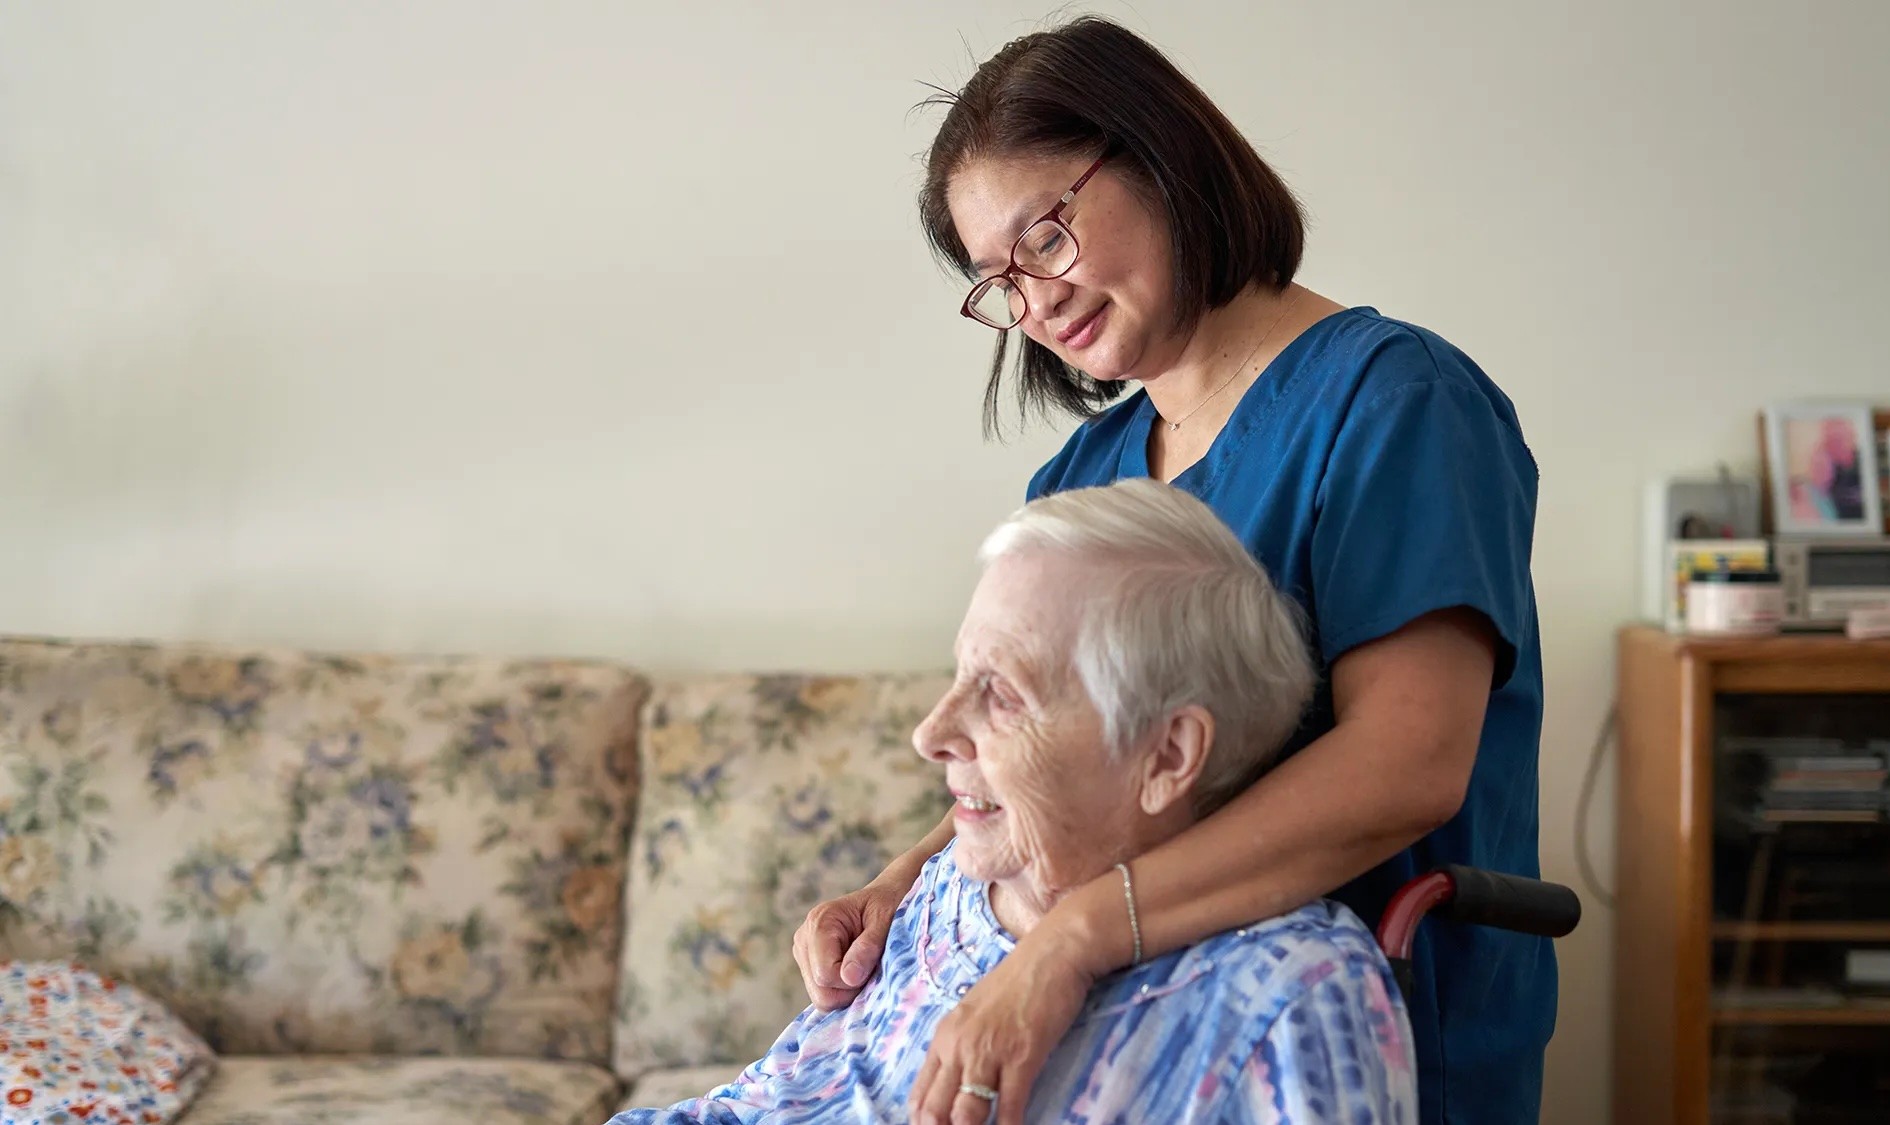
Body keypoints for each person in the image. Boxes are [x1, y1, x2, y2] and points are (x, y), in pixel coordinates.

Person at [793, 16, 1553, 1125]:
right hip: (1125, 1040)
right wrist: (899, 885)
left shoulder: (1395, 404)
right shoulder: (1082, 472)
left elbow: (1407, 764)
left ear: (1158, 155)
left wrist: (1070, 938)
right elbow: (1046, 758)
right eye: (999, 280)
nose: (1035, 303)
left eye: (1044, 236)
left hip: (1337, 1030)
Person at [611, 479, 1417, 1124]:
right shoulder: (952, 896)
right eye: (960, 676)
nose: (930, 733)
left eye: (1001, 694)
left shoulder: (1289, 998)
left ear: (1167, 755)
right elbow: (768, 1103)